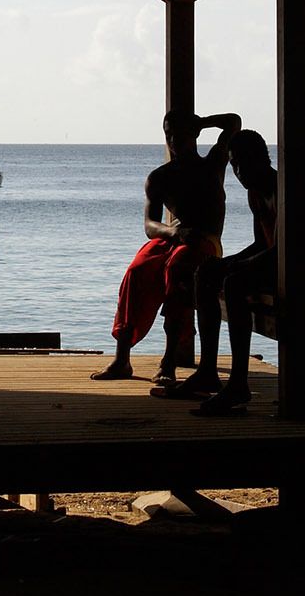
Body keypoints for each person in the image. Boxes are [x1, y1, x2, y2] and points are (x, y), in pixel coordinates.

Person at [91, 109, 241, 387]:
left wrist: (199, 123)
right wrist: (174, 231)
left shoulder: (212, 164)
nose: (174, 140)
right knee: (137, 270)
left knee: (179, 269)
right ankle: (122, 358)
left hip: (205, 242)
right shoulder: (160, 177)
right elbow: (150, 225)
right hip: (173, 237)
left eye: (180, 134)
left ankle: (169, 360)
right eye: (169, 134)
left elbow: (233, 122)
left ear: (194, 134)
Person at [192, 130, 305, 417]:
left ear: (263, 159)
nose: (239, 171)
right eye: (234, 165)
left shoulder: (287, 191)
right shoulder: (256, 193)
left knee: (233, 283)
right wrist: (225, 261)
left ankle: (237, 384)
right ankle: (208, 370)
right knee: (205, 273)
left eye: (244, 162)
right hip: (280, 265)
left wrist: (234, 267)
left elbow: (287, 251)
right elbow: (262, 243)